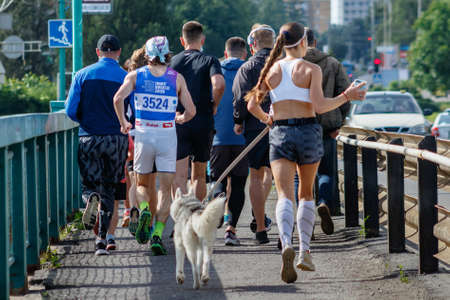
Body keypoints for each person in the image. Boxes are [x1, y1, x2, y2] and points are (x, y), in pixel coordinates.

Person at [245, 22, 365, 283]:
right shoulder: (310, 69)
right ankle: (304, 251)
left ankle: (286, 242)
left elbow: (252, 104)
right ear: (303, 43)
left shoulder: (272, 69)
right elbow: (320, 106)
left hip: (280, 133)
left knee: (284, 195)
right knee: (306, 193)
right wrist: (348, 95)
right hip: (308, 132)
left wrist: (268, 118)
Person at [113, 36, 196, 255]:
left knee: (141, 184)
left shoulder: (135, 75)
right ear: (168, 54)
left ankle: (142, 210)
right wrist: (181, 118)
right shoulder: (176, 78)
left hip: (143, 133)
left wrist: (123, 123)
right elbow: (192, 111)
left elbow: (117, 99)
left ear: (147, 55)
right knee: (165, 190)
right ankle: (158, 233)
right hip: (167, 134)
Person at [66, 34, 129, 256]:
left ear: (97, 51)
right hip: (116, 139)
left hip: (89, 137)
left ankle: (89, 198)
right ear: (119, 52)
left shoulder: (82, 75)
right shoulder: (125, 77)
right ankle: (102, 240)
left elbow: (70, 111)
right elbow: (131, 111)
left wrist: (87, 121)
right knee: (110, 190)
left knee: (89, 186)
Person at [294, 29, 352, 235]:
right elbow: (344, 93)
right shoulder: (333, 63)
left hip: (298, 125)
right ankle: (324, 202)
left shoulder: (292, 64)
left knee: (298, 176)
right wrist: (339, 122)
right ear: (315, 42)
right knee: (326, 171)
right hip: (326, 128)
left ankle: (301, 216)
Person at [170, 21, 225, 201]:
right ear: (202, 39)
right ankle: (197, 215)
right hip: (202, 120)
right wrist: (214, 104)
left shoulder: (172, 62)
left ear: (181, 40)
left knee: (179, 176)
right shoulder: (210, 60)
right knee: (199, 175)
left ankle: (180, 218)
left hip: (179, 121)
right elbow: (219, 84)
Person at [233, 24, 275, 244]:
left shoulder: (247, 68)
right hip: (283, 126)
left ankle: (260, 229)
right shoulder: (284, 65)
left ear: (253, 45)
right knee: (283, 177)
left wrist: (238, 122)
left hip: (255, 127)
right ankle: (290, 232)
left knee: (256, 176)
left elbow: (241, 98)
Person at [210, 37, 248, 246]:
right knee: (240, 184)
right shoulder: (249, 70)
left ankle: (215, 211)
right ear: (244, 54)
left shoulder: (214, 71)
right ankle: (231, 229)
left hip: (217, 138)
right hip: (243, 138)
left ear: (225, 53)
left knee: (218, 181)